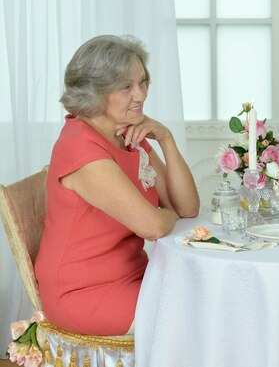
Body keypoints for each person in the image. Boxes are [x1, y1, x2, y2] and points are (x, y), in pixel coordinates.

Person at [35, 35, 200, 336]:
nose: (140, 95)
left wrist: (166, 140)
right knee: (197, 318)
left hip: (135, 275)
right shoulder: (80, 147)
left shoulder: (126, 134)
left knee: (211, 298)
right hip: (83, 292)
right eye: (126, 87)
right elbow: (153, 226)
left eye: (142, 82)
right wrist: (167, 216)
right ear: (94, 92)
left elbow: (187, 208)